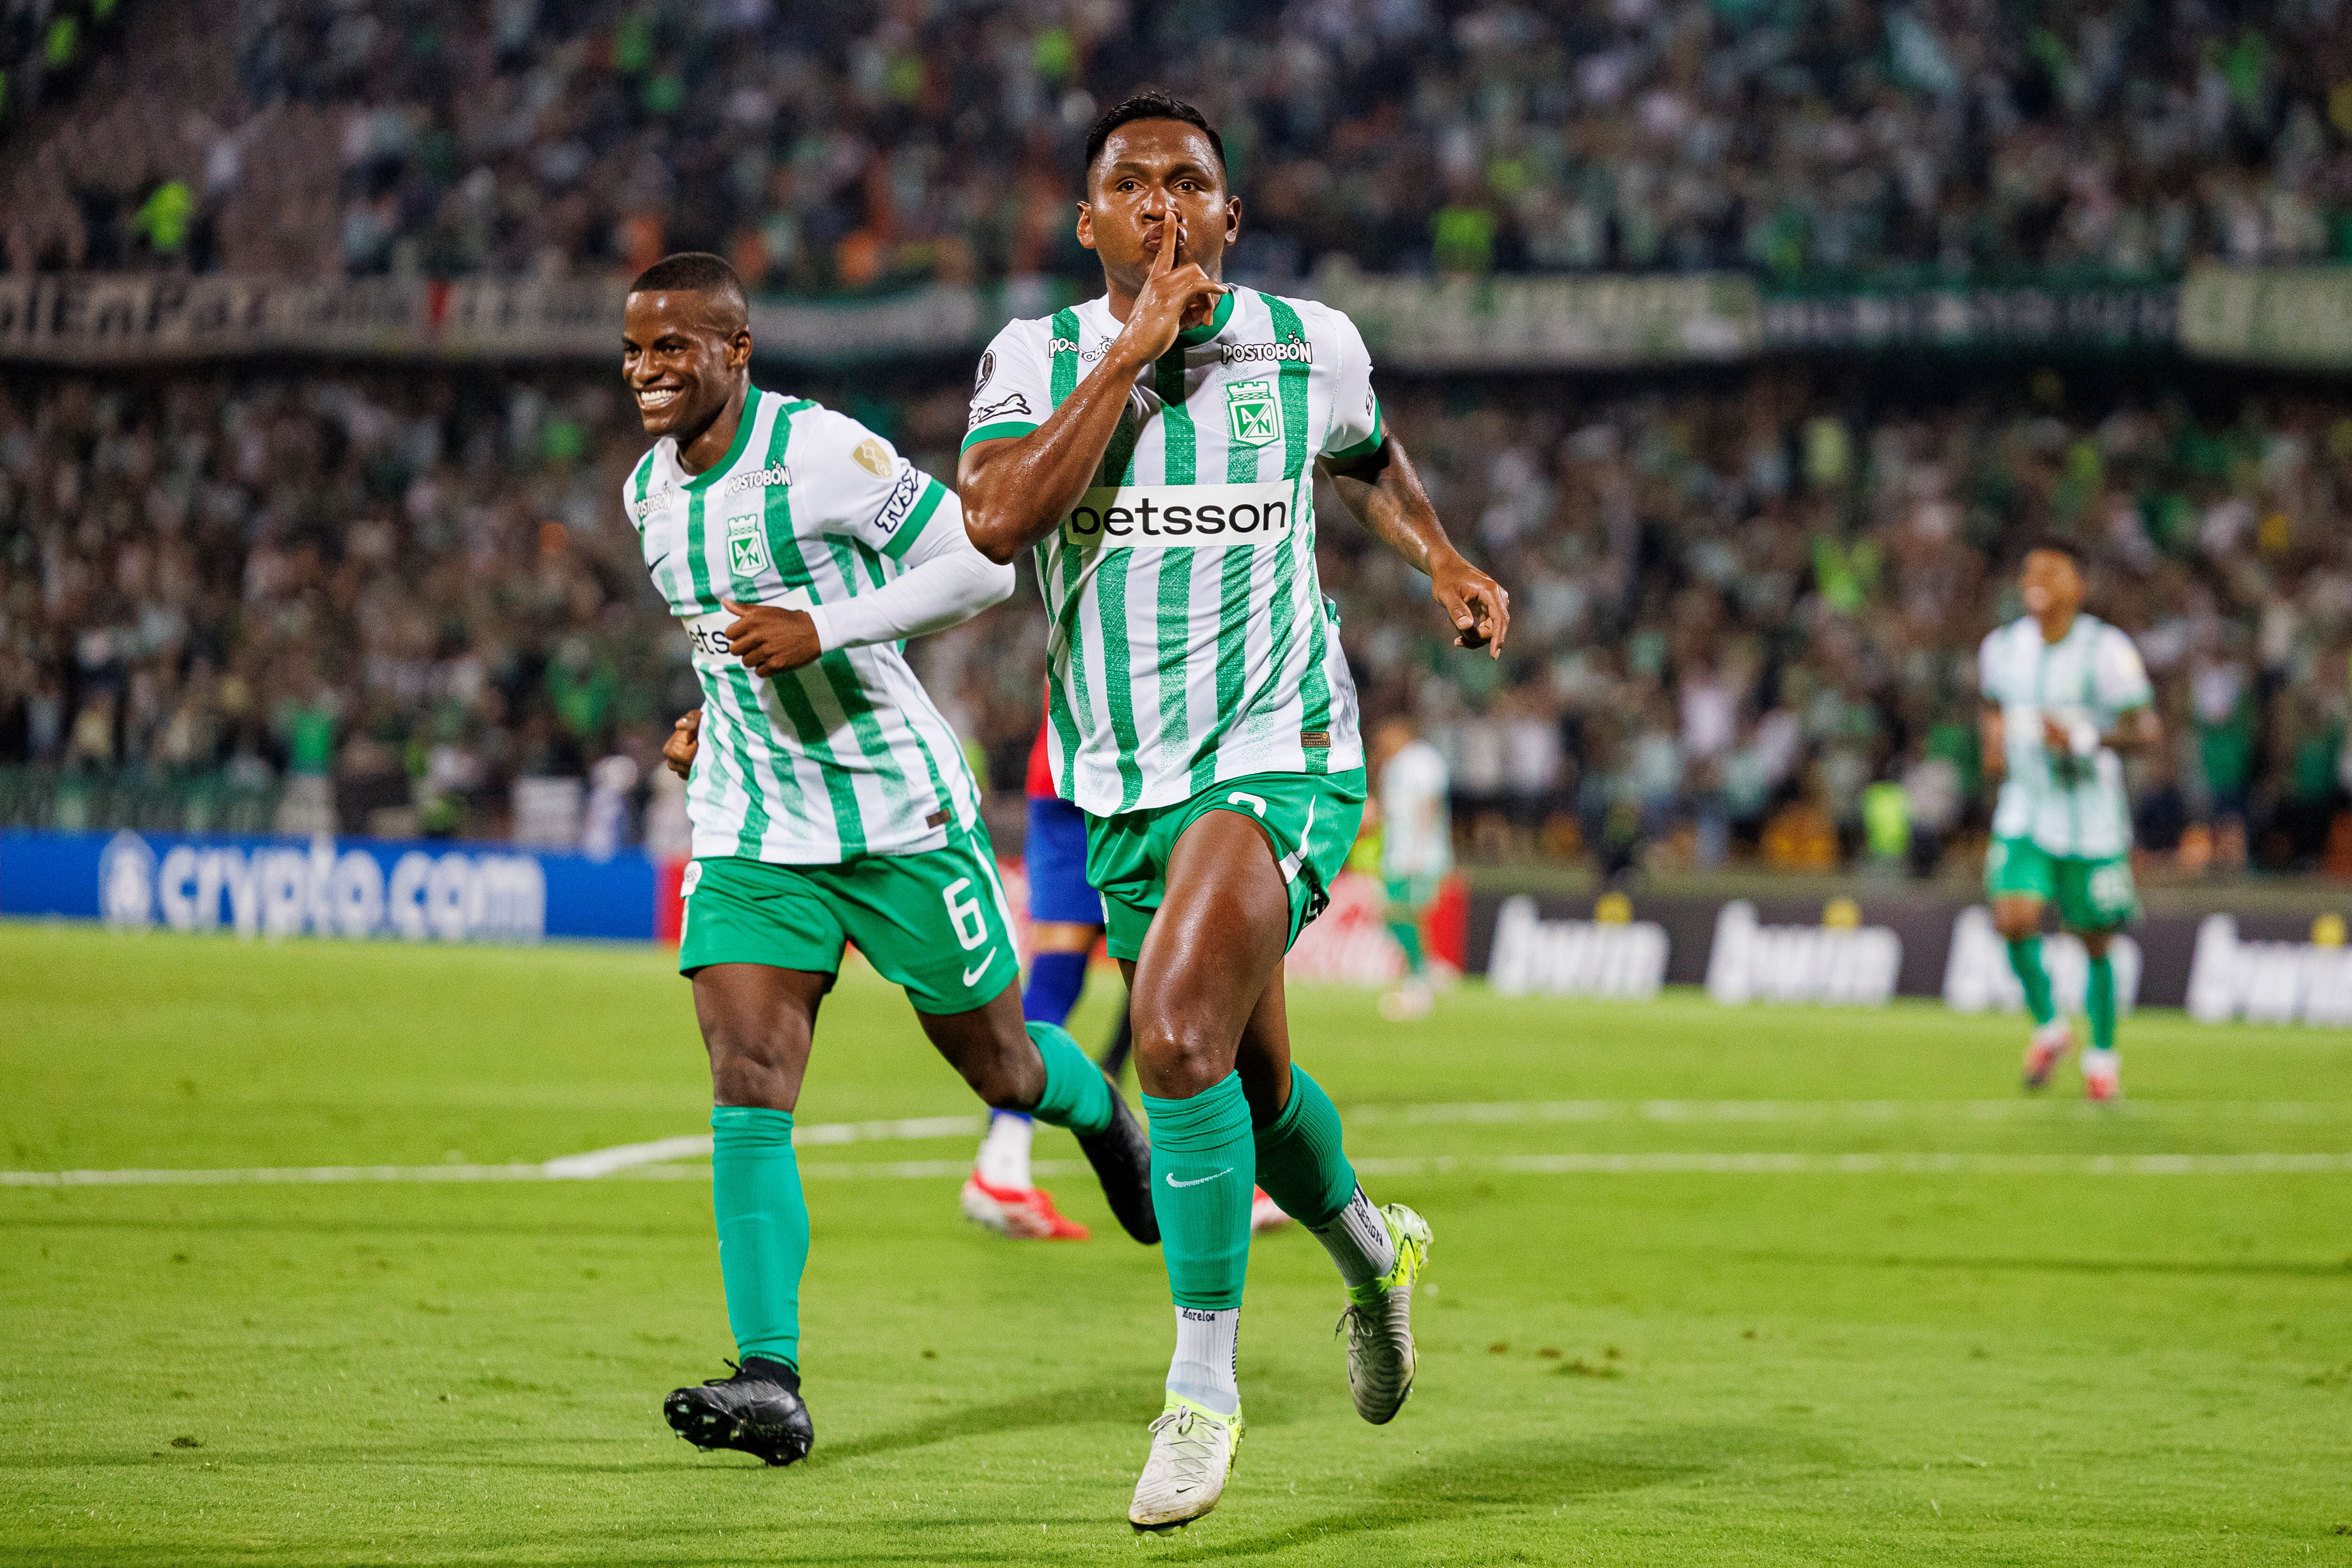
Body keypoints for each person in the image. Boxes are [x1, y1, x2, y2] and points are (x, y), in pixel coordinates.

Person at [957, 93, 1510, 1528]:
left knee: (1170, 1032)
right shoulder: (1034, 359)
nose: (1164, 207)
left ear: (1230, 217)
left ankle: (1200, 1388)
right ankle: (1372, 1253)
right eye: (1132, 186)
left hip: (1282, 749)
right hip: (1119, 782)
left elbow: (1369, 455)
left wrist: (1442, 560)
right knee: (1249, 1092)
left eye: (1190, 184)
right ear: (1089, 223)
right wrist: (1129, 355)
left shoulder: (1305, 345)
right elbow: (1000, 517)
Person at [620, 252, 1159, 1470]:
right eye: (635, 351)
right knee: (748, 1073)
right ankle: (770, 1377)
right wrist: (708, 716)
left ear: (736, 350)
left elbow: (981, 563)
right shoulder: (646, 494)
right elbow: (724, 637)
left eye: (674, 347)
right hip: (757, 823)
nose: (648, 371)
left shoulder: (818, 453)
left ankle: (1101, 1115)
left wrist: (826, 626)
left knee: (1002, 1062)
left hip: (896, 814)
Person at [964, 710, 1288, 1237]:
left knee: (1083, 975)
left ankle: (1003, 1162)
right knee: (1176, 970)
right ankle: (1211, 1170)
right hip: (1147, 772)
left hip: (1083, 767)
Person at [1978, 542, 2161, 1101]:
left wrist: (2080, 737)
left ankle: (2101, 1058)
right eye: (2028, 570)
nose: (2035, 580)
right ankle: (2049, 1028)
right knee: (2012, 917)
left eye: (2051, 572)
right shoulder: (2001, 647)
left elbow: (2145, 731)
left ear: (2076, 586)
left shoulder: (2105, 650)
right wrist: (1992, 740)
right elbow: (1992, 704)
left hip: (2091, 818)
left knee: (2095, 941)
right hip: (2026, 805)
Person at [1370, 716, 1452, 1021]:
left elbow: (1430, 805)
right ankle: (1425, 971)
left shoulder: (1424, 760)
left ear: (1403, 732)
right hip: (1396, 854)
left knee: (1404, 913)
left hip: (1419, 856)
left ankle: (1420, 981)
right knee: (1397, 915)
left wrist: (1418, 850)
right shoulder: (1393, 766)